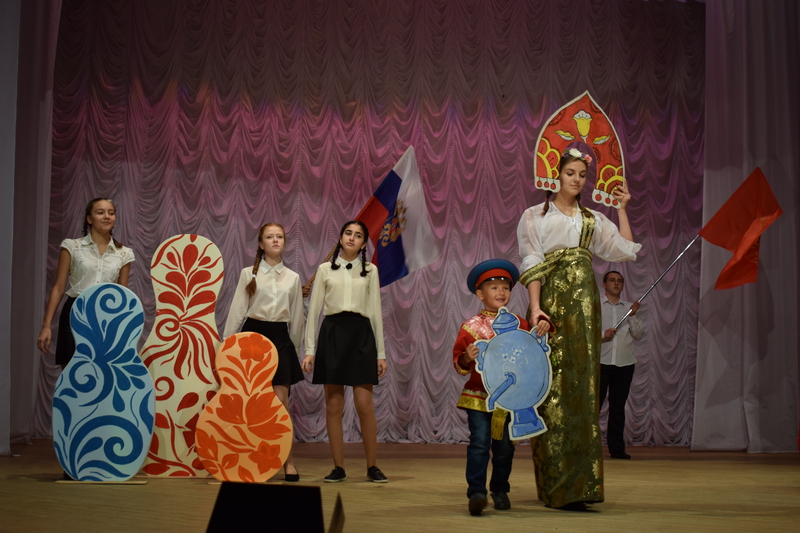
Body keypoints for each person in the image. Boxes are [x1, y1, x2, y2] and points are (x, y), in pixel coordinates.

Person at [517, 147, 641, 509]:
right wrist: (536, 308)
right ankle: (556, 485)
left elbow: (624, 249)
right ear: (556, 175)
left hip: (585, 309)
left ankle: (581, 486)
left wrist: (622, 208)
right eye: (570, 173)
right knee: (552, 388)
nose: (576, 179)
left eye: (582, 175)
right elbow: (532, 262)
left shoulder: (592, 219)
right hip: (552, 305)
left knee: (583, 390)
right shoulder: (536, 215)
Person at [453, 259, 551, 516]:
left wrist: (542, 329)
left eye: (505, 287)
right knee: (479, 443)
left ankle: (500, 489)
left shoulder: (521, 324)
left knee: (505, 448)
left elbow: (534, 351)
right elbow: (459, 364)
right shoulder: (471, 327)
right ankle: (476, 492)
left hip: (511, 400)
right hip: (479, 397)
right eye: (494, 287)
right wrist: (467, 357)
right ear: (480, 294)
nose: (501, 292)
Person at [302, 220, 388, 483]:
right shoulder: (325, 269)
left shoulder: (370, 270)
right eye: (348, 233)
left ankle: (372, 466)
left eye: (358, 235)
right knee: (334, 404)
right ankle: (338, 467)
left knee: (364, 404)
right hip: (333, 334)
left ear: (363, 244)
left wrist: (380, 353)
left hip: (362, 335)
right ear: (340, 238)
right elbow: (314, 311)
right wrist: (309, 350)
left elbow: (375, 312)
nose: (352, 237)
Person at [223, 222, 305, 481]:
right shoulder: (249, 274)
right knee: (251, 403)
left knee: (281, 403)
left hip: (280, 339)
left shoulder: (292, 277)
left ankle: (288, 462)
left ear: (285, 242)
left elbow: (297, 318)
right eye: (270, 237)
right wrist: (227, 345)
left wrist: (294, 349)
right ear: (261, 244)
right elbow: (238, 309)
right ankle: (250, 458)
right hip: (253, 338)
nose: (275, 240)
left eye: (279, 236)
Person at [37, 198, 136, 368]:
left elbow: (122, 294)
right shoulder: (72, 246)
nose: (107, 216)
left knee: (102, 371)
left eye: (111, 213)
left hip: (106, 317)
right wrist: (46, 327)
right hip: (76, 311)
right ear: (89, 219)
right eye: (100, 212)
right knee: (71, 371)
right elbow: (59, 288)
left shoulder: (124, 253)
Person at [599, 270, 645, 460]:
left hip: (624, 364)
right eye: (612, 280)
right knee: (594, 407)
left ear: (623, 285)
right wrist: (603, 335)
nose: (616, 283)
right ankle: (589, 449)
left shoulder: (629, 308)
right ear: (604, 284)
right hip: (601, 363)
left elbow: (639, 335)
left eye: (619, 281)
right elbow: (586, 333)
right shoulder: (596, 306)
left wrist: (632, 315)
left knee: (618, 408)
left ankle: (617, 449)